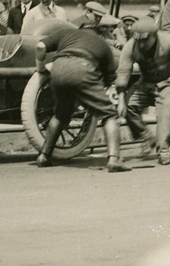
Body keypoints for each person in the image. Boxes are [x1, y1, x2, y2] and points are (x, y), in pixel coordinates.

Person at [35, 18, 127, 171]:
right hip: (84, 68)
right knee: (109, 114)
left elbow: (40, 46)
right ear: (98, 32)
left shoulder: (66, 33)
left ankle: (44, 155)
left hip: (58, 69)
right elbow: (109, 80)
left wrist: (40, 68)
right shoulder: (102, 44)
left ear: (80, 29)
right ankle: (114, 160)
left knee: (60, 114)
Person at [116, 18, 170, 166]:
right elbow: (123, 71)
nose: (141, 44)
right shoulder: (130, 47)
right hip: (145, 83)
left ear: (154, 35)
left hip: (169, 83)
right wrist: (120, 99)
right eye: (137, 40)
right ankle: (145, 136)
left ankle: (163, 150)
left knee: (166, 114)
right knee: (127, 104)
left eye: (145, 40)